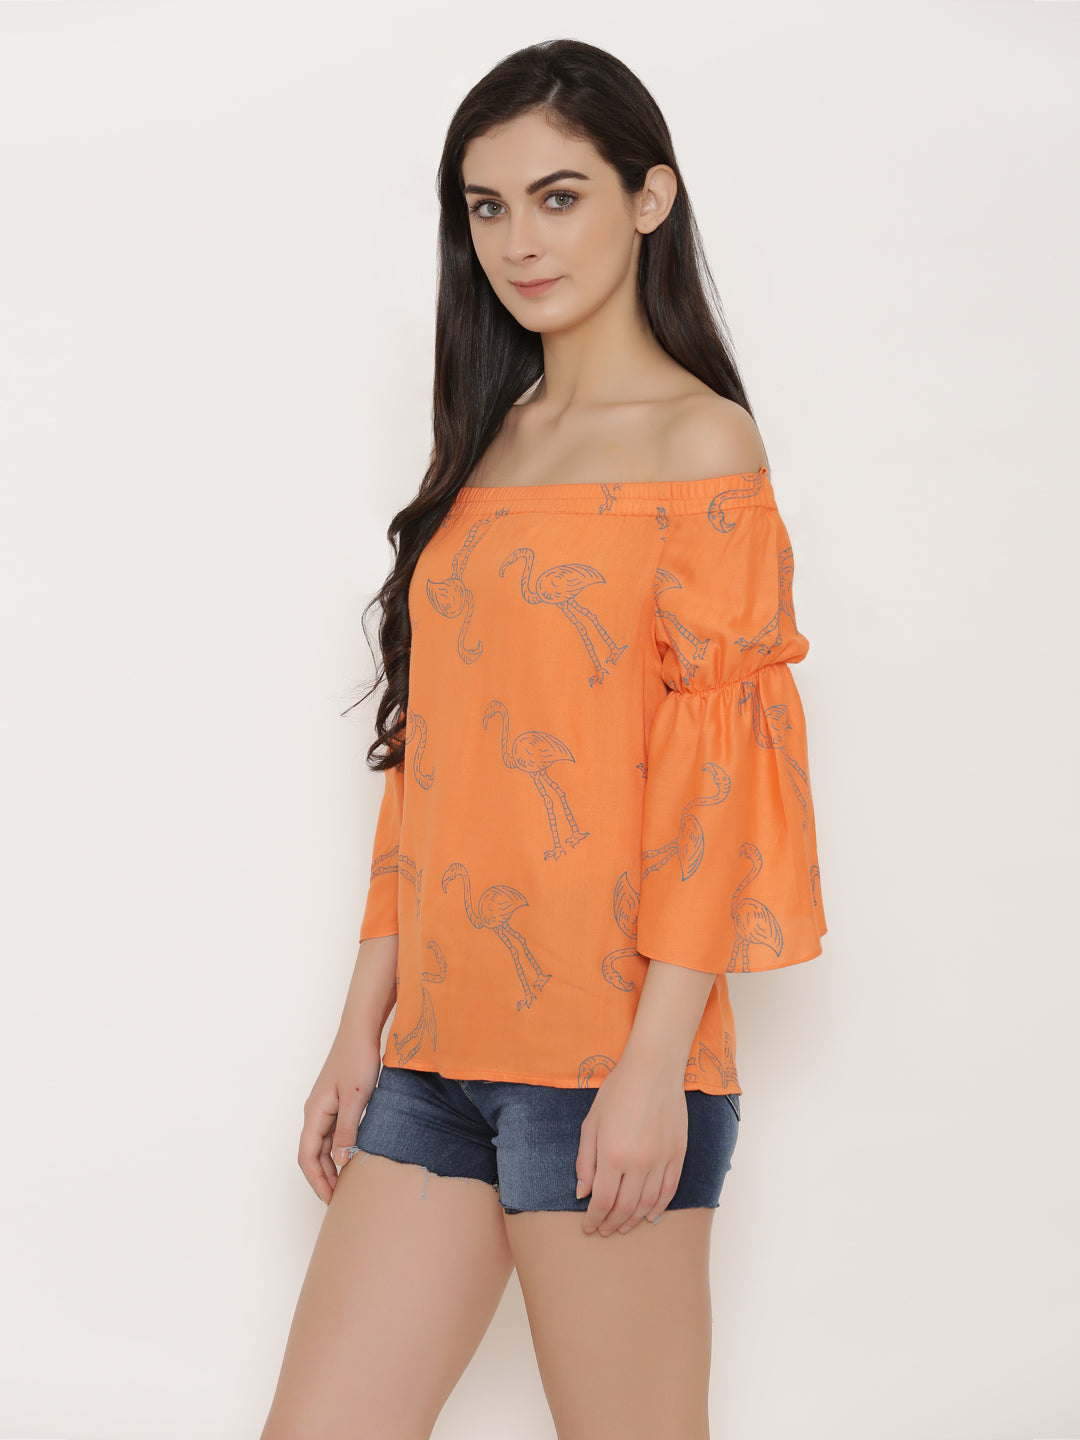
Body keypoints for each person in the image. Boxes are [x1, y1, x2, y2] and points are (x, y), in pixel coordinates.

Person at [259, 37, 827, 1440]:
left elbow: (718, 793)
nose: (519, 240)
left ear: (650, 199)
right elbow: (433, 771)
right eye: (488, 206)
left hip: (605, 1062)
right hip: (434, 1057)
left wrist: (653, 1070)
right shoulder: (485, 447)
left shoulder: (702, 447)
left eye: (559, 197)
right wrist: (359, 1032)